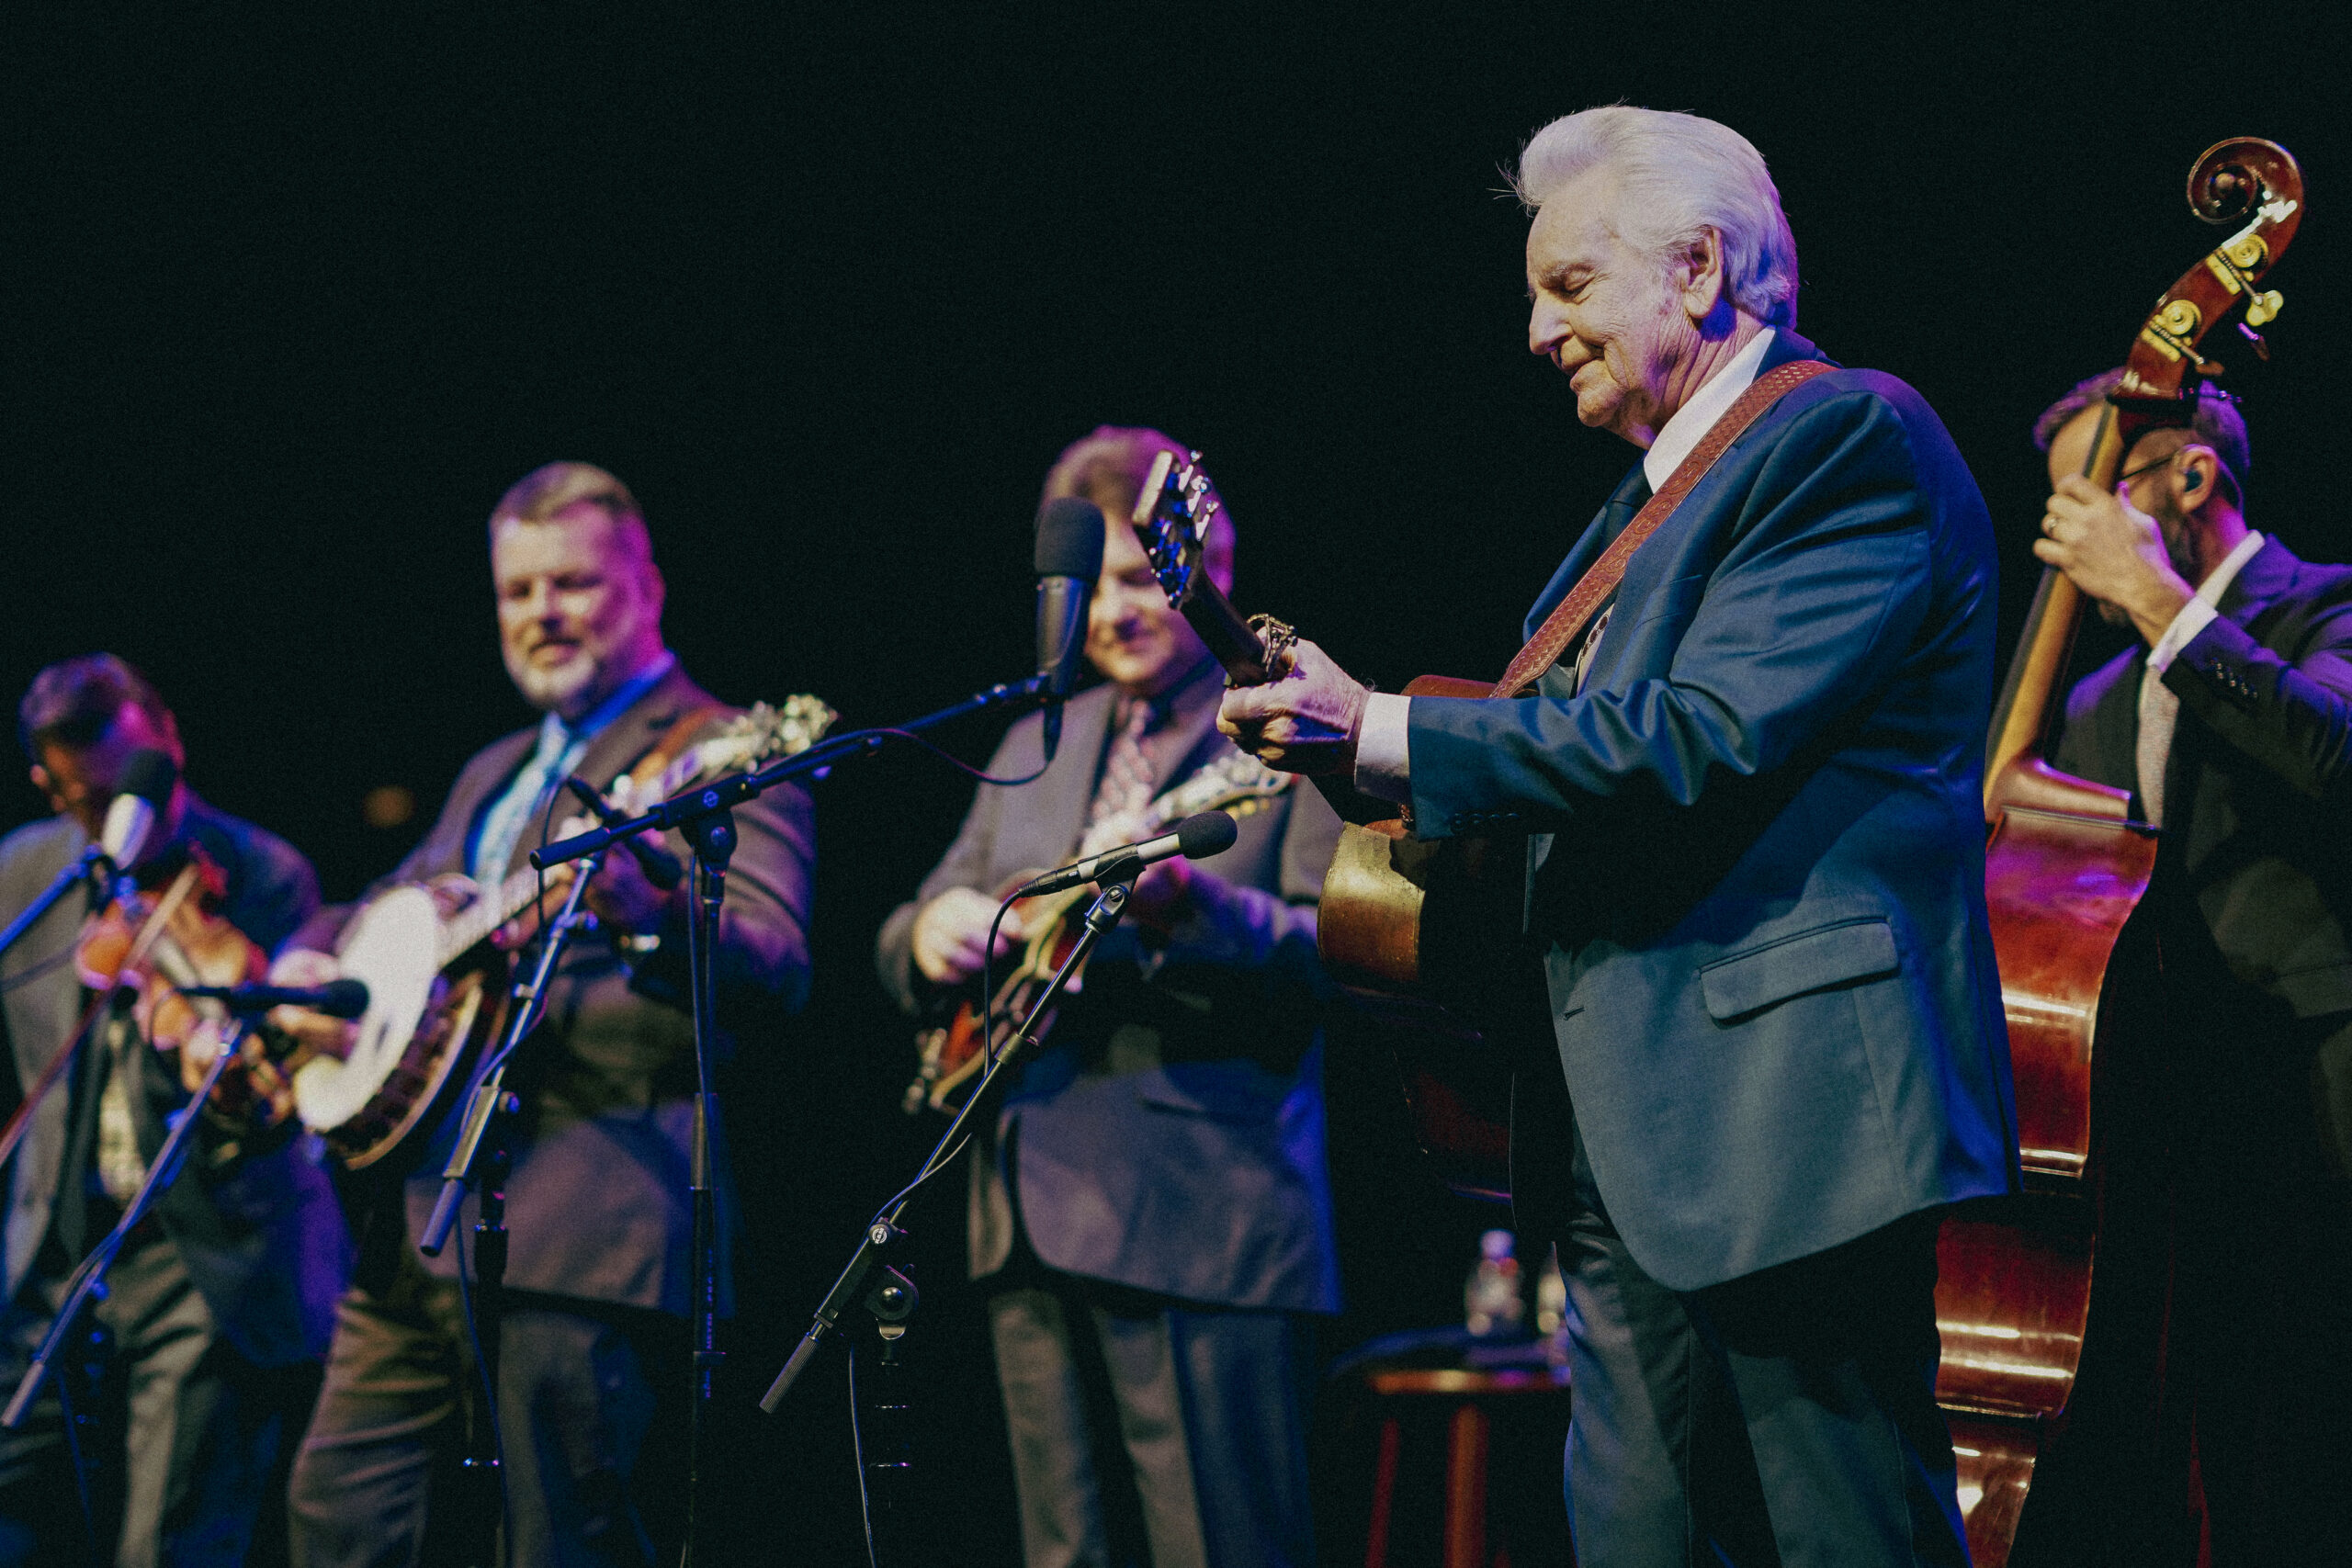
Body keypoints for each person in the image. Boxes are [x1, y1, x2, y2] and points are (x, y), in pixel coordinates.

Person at [1218, 107, 2016, 1567]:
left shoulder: (1846, 436)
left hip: (1790, 1116)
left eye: (1570, 285)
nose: (1537, 329)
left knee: (1848, 1533)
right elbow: (1569, 774)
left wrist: (1387, 726)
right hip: (1623, 1128)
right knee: (1637, 1536)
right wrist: (1357, 762)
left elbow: (1695, 734)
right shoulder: (1640, 511)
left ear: (1699, 267)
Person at [277, 462, 815, 1566]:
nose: (541, 615)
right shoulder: (495, 771)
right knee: (338, 1524)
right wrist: (316, 953)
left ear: (647, 588)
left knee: (563, 1545)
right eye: (517, 593)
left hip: (590, 1231)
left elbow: (773, 963)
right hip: (418, 1224)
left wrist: (645, 905)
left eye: (571, 584)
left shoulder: (722, 747)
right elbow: (404, 913)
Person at [877, 426, 1343, 1568]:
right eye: (1093, 590)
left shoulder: (1282, 715)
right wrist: (924, 936)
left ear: (1204, 566)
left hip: (1202, 1211)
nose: (1114, 612)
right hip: (1020, 1211)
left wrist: (1190, 909)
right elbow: (924, 914)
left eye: (1141, 580)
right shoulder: (1046, 734)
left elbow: (1337, 952)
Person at [2035, 372, 2352, 1565]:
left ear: (2189, 476)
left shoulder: (2322, 606)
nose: (2065, 534)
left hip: (2321, 1094)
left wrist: (2166, 609)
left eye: (2090, 495)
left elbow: (2335, 751)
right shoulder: (2096, 700)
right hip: (2169, 1130)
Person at [0, 653, 348, 1568]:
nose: (128, 823)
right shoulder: (22, 874)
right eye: (90, 801)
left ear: (167, 740)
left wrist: (218, 1061)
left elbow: (286, 1101)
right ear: (50, 786)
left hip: (205, 1259)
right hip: (56, 1253)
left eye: (138, 788)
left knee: (169, 1545)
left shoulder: (263, 874)